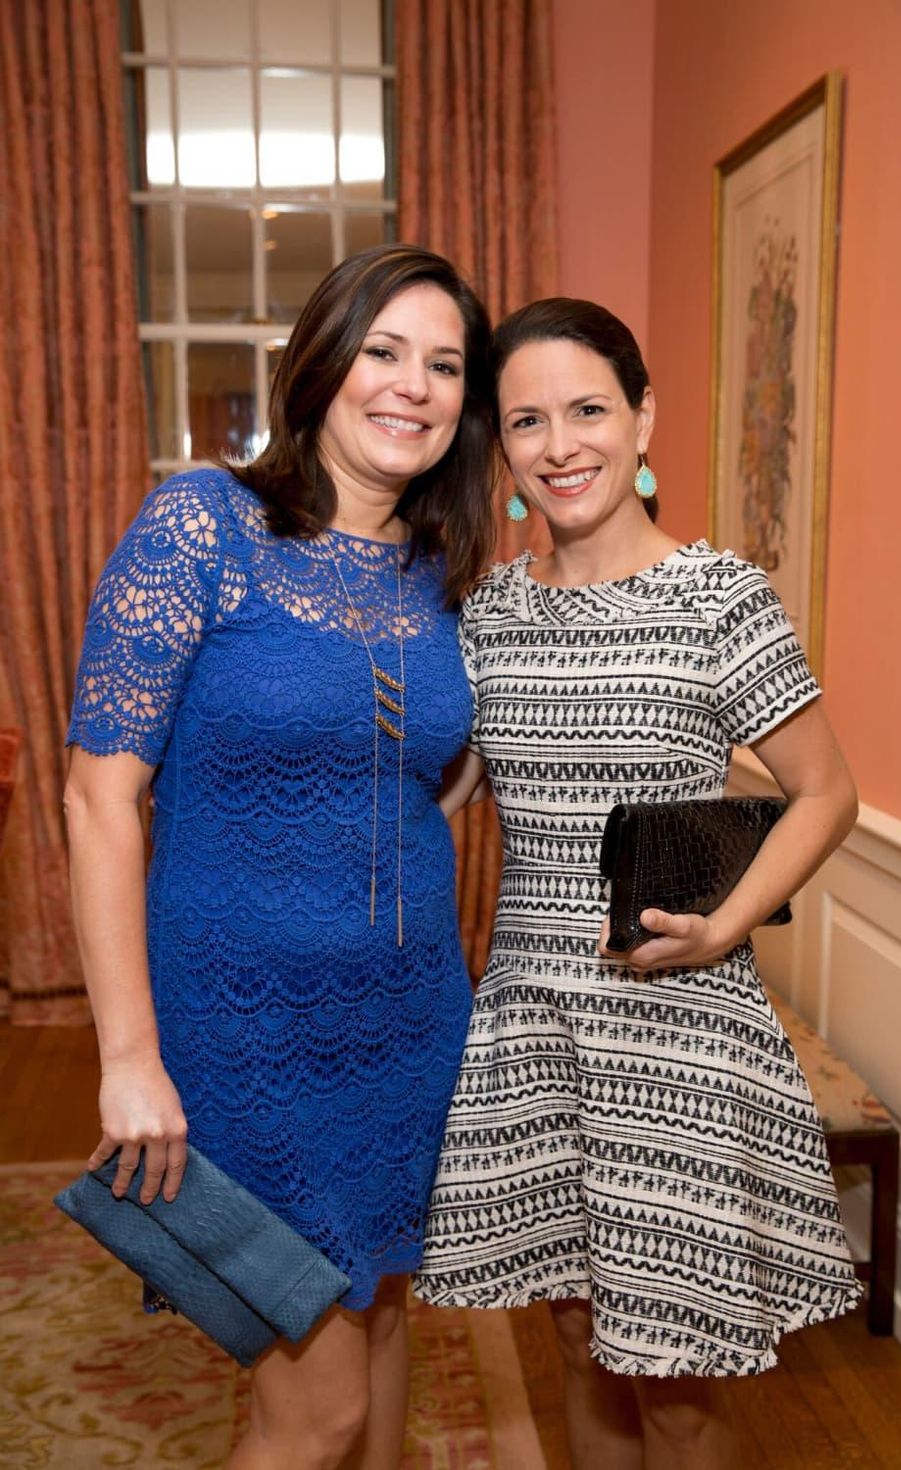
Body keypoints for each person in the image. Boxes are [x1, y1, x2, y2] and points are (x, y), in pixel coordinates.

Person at [63, 244, 495, 1470]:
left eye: (445, 364)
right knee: (317, 1410)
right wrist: (129, 1055)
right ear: (321, 361)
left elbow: (429, 777)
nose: (412, 385)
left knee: (385, 1311)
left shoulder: (441, 574)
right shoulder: (202, 526)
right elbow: (99, 802)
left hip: (409, 1024)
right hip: (247, 1032)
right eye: (384, 351)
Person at [413, 298, 863, 1470]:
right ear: (498, 449)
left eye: (587, 410)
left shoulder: (719, 598)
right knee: (574, 1342)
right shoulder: (489, 615)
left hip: (675, 1027)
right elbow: (438, 793)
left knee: (670, 1380)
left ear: (641, 417)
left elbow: (825, 793)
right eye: (525, 420)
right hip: (534, 1022)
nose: (559, 444)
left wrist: (722, 925)